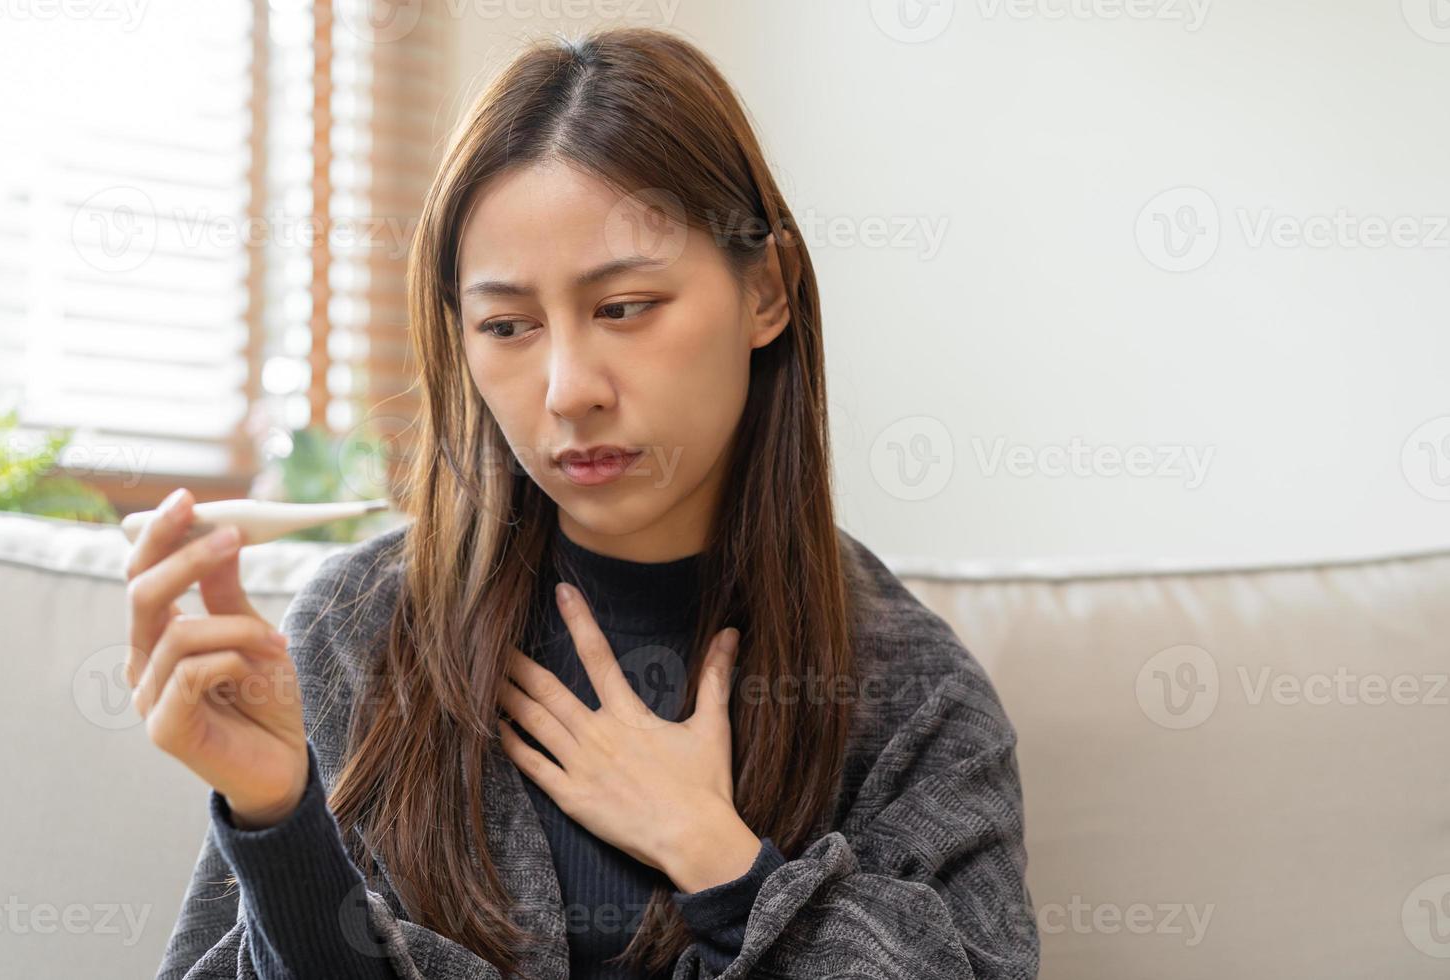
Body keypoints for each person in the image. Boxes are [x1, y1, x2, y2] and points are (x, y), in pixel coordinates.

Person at [133, 25, 1040, 980]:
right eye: (508, 325)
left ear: (765, 291)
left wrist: (719, 859)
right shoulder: (361, 634)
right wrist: (280, 824)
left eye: (624, 308)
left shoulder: (912, 695)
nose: (568, 388)